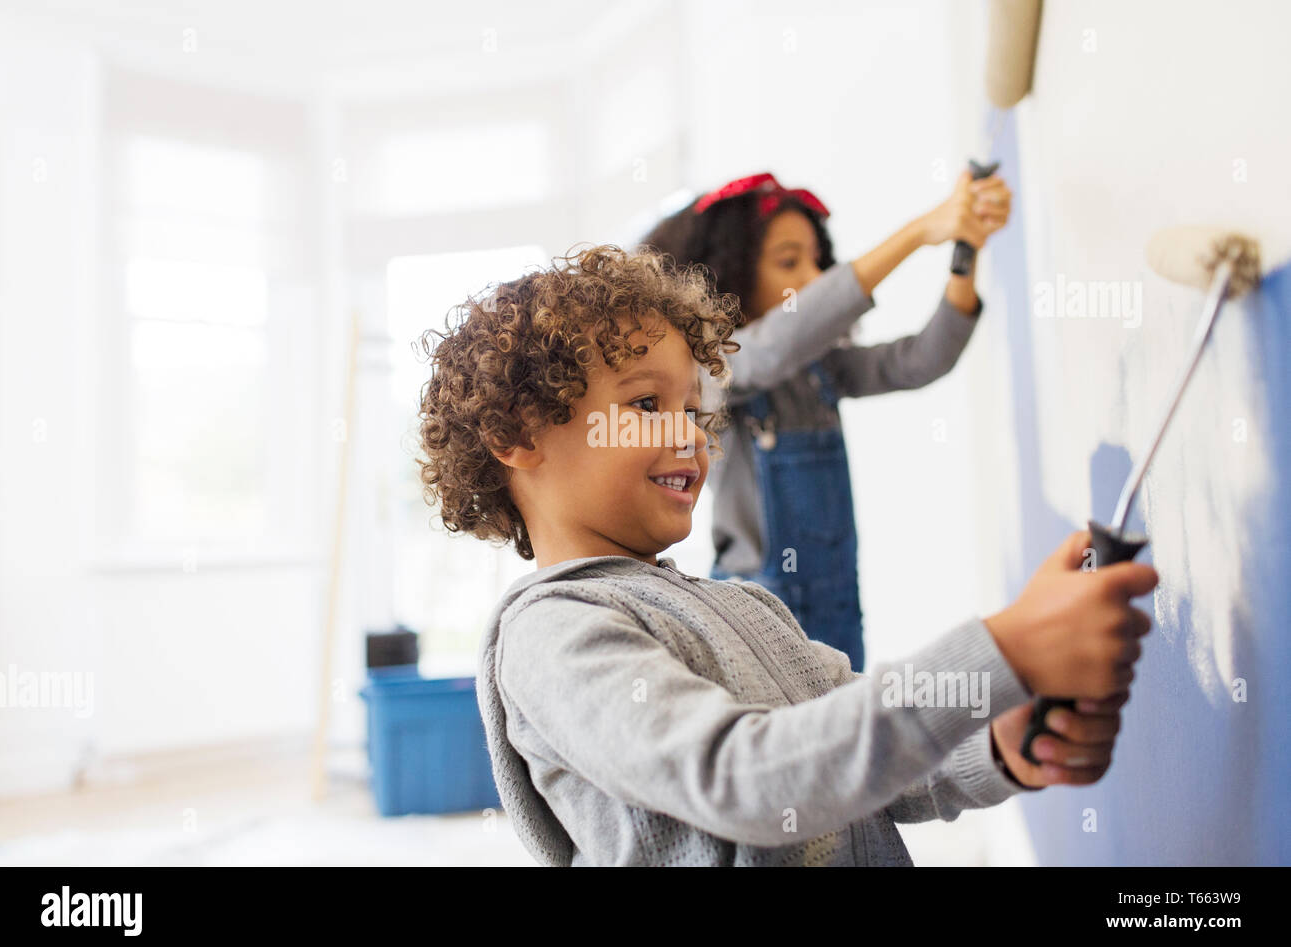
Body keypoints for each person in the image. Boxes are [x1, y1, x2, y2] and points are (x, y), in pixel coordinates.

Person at [416, 244, 1156, 867]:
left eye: (696, 411)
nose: (694, 437)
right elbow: (749, 778)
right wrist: (1004, 647)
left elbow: (855, 761)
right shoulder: (553, 635)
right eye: (647, 406)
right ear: (518, 435)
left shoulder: (749, 606)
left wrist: (995, 746)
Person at [639, 170, 1011, 671]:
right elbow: (778, 343)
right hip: (756, 609)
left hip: (837, 602)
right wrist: (919, 232)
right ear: (732, 275)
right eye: (790, 262)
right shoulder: (715, 373)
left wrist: (963, 255)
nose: (813, 279)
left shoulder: (821, 369)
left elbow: (921, 360)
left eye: (818, 261)